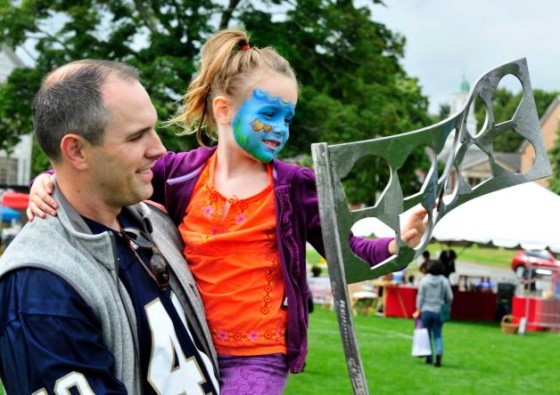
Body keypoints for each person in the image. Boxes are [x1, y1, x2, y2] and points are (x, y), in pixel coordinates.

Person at [28, 29, 428, 394]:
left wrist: (395, 242)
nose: (280, 128)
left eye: (288, 118)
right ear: (222, 110)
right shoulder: (181, 174)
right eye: (268, 114)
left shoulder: (294, 185)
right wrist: (48, 179)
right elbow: (101, 170)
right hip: (190, 346)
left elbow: (344, 251)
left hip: (261, 356)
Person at [0, 60, 219, 394]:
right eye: (136, 137)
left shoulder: (154, 222)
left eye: (153, 129)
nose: (158, 149)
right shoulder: (40, 287)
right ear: (76, 151)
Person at [412, 259, 453, 367]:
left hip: (426, 310)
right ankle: (439, 352)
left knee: (427, 334)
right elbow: (450, 297)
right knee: (438, 334)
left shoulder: (424, 281)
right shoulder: (444, 281)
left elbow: (420, 296)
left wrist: (418, 310)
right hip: (438, 310)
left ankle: (429, 357)